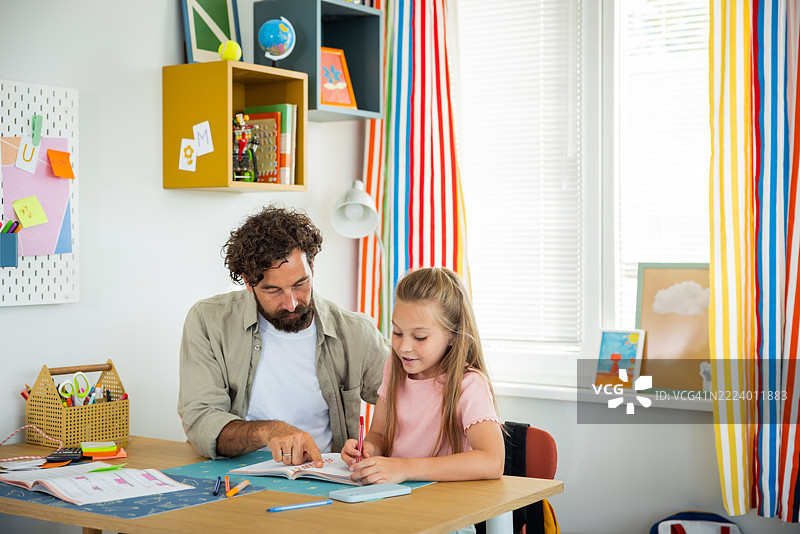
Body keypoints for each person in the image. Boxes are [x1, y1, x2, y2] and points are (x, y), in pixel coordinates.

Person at [177, 205, 390, 465]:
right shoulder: (209, 320)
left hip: (323, 476)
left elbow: (410, 395)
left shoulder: (355, 332)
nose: (291, 303)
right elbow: (200, 420)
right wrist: (269, 431)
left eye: (300, 284)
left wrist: (373, 445)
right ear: (248, 282)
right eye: (273, 291)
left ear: (312, 265)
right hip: (235, 477)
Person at [341, 267, 505, 486]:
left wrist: (406, 468)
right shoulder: (394, 367)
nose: (404, 347)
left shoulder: (469, 384)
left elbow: (492, 461)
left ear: (453, 336)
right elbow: (379, 434)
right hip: (395, 496)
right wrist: (369, 449)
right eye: (397, 333)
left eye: (420, 337)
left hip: (446, 504)